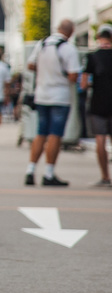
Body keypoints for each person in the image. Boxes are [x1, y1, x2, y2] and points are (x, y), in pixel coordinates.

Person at [25, 19, 81, 186]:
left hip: (41, 95)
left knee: (40, 133)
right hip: (60, 97)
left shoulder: (42, 44)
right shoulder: (68, 48)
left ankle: (30, 170)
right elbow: (73, 76)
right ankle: (49, 173)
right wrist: (60, 75)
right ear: (71, 32)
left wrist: (45, 72)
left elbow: (30, 65)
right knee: (55, 134)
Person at [81, 26, 112, 188]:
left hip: (98, 101)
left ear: (98, 38)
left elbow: (84, 84)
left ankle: (105, 176)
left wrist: (93, 83)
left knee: (100, 138)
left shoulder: (92, 57)